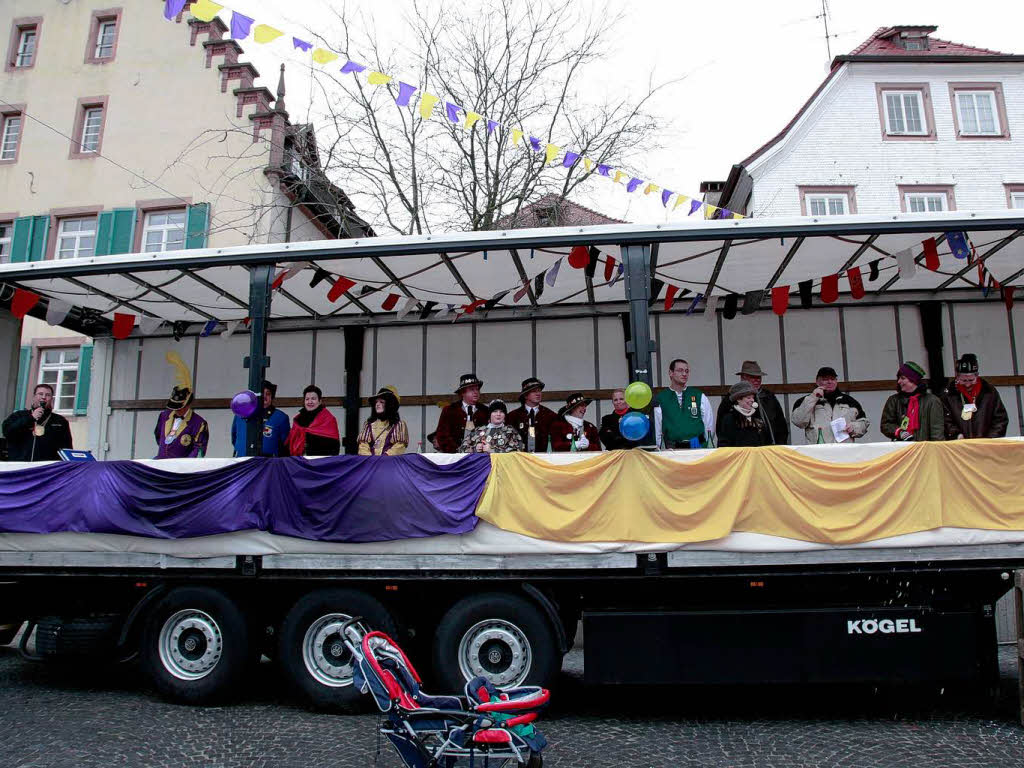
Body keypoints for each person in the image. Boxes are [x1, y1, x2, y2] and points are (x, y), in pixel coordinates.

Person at [717, 361, 789, 445]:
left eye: (759, 377)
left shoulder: (769, 397)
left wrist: (780, 445)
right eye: (753, 377)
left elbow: (781, 425)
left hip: (770, 449)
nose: (757, 380)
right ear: (743, 378)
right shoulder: (731, 399)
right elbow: (722, 429)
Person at [791, 366, 870, 444]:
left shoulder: (850, 401)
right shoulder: (805, 401)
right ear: (817, 382)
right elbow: (798, 421)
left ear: (836, 381)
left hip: (845, 453)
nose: (829, 382)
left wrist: (854, 427)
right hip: (817, 452)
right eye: (825, 379)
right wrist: (813, 398)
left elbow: (863, 423)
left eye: (832, 379)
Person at [940, 353, 1009, 440]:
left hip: (986, 445)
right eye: (964, 380)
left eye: (971, 380)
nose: (968, 384)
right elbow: (945, 420)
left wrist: (991, 438)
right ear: (957, 377)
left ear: (977, 375)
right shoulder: (948, 394)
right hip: (959, 445)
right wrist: (956, 435)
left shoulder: (989, 391)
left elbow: (1000, 419)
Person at [2, 383, 73, 461]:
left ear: (51, 399)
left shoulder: (60, 421)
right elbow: (7, 432)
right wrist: (31, 418)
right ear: (34, 397)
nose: (43, 397)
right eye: (40, 394)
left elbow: (67, 448)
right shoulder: (18, 415)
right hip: (20, 465)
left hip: (47, 467)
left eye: (48, 395)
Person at [654, 359, 714, 449]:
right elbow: (657, 428)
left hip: (698, 447)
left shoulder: (699, 395)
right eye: (680, 370)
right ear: (671, 373)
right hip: (672, 450)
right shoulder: (661, 398)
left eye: (686, 371)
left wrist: (706, 446)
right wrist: (661, 448)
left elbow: (709, 425)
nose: (684, 374)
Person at [880, 361, 944, 442]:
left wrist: (936, 450)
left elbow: (937, 431)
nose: (899, 381)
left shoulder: (932, 401)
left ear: (913, 380)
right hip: (902, 449)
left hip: (924, 449)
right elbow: (885, 424)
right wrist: (899, 432)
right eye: (898, 378)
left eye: (903, 378)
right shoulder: (893, 400)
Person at [231, 380, 290, 457]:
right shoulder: (241, 413)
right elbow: (234, 437)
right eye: (262, 393)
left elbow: (285, 444)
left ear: (272, 397)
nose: (264, 396)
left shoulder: (281, 417)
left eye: (268, 394)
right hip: (242, 461)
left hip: (269, 464)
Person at [434, 373, 488, 453]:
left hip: (480, 457)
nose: (476, 392)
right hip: (455, 456)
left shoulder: (485, 410)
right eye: (472, 389)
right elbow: (442, 435)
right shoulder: (449, 410)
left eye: (477, 389)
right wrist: (458, 451)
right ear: (462, 393)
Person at [506, 377, 559, 452]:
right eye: (534, 391)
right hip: (520, 458)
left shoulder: (551, 416)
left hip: (544, 458)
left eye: (539, 391)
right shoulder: (513, 416)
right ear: (525, 395)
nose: (538, 394)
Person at [287, 385, 341, 456]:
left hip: (320, 462)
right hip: (299, 462)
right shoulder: (298, 420)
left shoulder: (329, 419)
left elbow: (335, 446)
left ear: (320, 401)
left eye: (313, 399)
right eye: (307, 399)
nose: (310, 402)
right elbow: (291, 442)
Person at [357, 386, 409, 456]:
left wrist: (384, 458)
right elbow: (363, 446)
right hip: (370, 464)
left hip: (389, 464)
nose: (377, 404)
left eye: (382, 402)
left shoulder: (399, 425)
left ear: (390, 405)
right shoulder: (368, 425)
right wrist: (370, 459)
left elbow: (399, 447)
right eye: (376, 402)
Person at [717, 381, 771, 447]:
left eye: (753, 397)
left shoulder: (757, 416)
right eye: (748, 398)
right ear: (738, 399)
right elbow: (724, 444)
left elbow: (766, 441)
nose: (752, 400)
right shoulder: (729, 418)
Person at [459, 399, 524, 453]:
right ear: (490, 415)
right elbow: (461, 449)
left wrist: (493, 450)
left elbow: (518, 450)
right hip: (481, 467)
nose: (498, 414)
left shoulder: (510, 431)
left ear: (504, 415)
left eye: (501, 412)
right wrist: (474, 449)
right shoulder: (478, 430)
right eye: (495, 411)